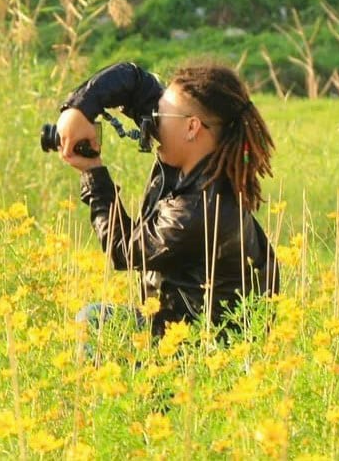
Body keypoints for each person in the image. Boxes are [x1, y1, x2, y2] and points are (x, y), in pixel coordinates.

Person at [56, 61, 279, 340]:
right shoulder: (197, 163)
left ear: (191, 127)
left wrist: (92, 173)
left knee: (93, 321)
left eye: (160, 114)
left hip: (200, 346)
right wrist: (79, 109)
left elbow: (123, 249)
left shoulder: (197, 210)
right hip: (177, 325)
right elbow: (133, 80)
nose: (153, 120)